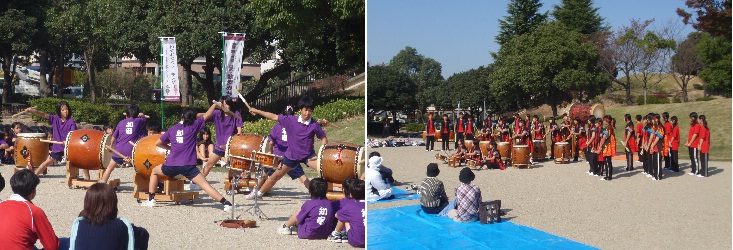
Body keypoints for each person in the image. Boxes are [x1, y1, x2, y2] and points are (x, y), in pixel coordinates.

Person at [140, 104, 234, 211]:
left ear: (181, 117)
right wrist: (215, 105)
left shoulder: (172, 129)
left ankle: (151, 199)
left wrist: (170, 149)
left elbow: (158, 143)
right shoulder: (194, 126)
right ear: (194, 118)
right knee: (205, 185)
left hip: (171, 165)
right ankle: (226, 203)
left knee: (154, 172)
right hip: (188, 166)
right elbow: (208, 114)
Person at [246, 97, 328, 199]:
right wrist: (257, 111)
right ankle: (259, 193)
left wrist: (322, 153)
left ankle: (324, 197)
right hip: (291, 155)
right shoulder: (291, 120)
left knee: (325, 170)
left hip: (308, 155)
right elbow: (274, 117)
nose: (307, 113)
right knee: (276, 176)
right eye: (305, 110)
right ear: (301, 110)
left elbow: (323, 137)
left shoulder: (314, 125)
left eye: (310, 110)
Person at [69, 183, 149, 250]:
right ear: (113, 204)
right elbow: (144, 234)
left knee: (64, 242)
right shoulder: (122, 226)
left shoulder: (79, 224)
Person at [0, 169, 64, 249]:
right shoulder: (34, 211)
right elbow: (52, 245)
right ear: (33, 190)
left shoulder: (1, 205)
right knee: (65, 242)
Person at [25, 102, 82, 178]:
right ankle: (34, 176)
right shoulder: (55, 119)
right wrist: (33, 111)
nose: (65, 111)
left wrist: (68, 141)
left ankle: (78, 177)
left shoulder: (71, 121)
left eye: (66, 109)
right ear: (59, 111)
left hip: (69, 147)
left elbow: (74, 134)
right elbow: (44, 115)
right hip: (58, 147)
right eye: (63, 110)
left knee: (78, 162)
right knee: (47, 162)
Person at [100, 105, 147, 184]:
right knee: (141, 168)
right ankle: (145, 184)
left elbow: (114, 137)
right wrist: (141, 115)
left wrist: (111, 146)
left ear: (126, 115)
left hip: (119, 150)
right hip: (132, 150)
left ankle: (102, 183)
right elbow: (144, 119)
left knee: (109, 168)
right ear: (137, 114)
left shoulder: (121, 122)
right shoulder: (139, 121)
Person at [201, 96, 243, 181]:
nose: (225, 106)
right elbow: (205, 116)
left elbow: (239, 132)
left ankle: (237, 183)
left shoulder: (236, 114)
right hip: (219, 147)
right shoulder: (217, 114)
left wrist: (234, 143)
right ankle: (197, 182)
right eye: (223, 104)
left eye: (227, 104)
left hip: (232, 146)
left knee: (235, 167)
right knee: (209, 164)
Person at [328, 178, 366, 247]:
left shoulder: (343, 203)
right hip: (368, 240)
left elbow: (336, 215)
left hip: (355, 239)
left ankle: (336, 233)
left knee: (344, 217)